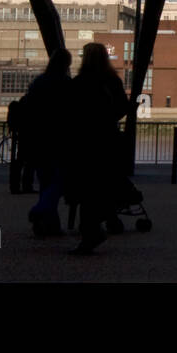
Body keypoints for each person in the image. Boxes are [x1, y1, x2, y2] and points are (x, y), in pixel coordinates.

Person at [65, 42, 128, 254]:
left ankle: (90, 231)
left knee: (86, 190)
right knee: (102, 186)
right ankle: (103, 223)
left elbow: (70, 115)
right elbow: (122, 108)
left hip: (83, 144)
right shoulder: (112, 81)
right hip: (107, 142)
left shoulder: (79, 83)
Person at [22, 48, 72, 237]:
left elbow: (29, 109)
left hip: (38, 139)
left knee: (45, 182)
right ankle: (41, 210)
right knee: (60, 180)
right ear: (66, 65)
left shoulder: (39, 83)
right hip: (59, 140)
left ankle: (48, 226)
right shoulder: (66, 84)